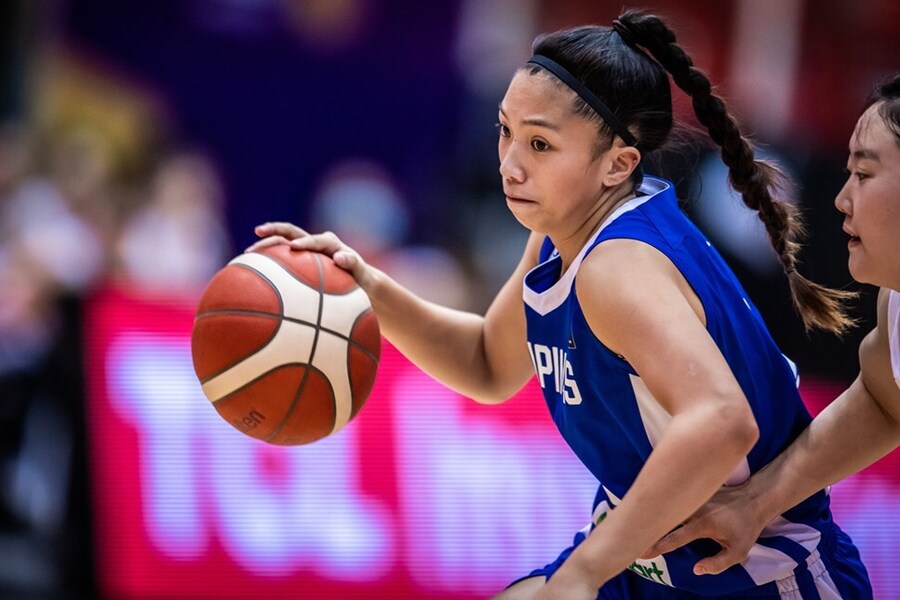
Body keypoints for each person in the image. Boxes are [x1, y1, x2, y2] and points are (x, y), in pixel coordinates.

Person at [247, 9, 872, 599]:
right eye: (506, 132)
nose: (510, 166)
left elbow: (723, 420)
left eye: (540, 145)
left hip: (757, 575)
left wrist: (584, 572)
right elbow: (488, 363)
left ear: (617, 164)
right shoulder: (566, 230)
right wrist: (368, 288)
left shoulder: (616, 267)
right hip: (649, 561)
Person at [647, 73, 900, 579]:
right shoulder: (894, 303)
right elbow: (882, 400)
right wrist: (756, 502)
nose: (841, 199)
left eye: (864, 174)